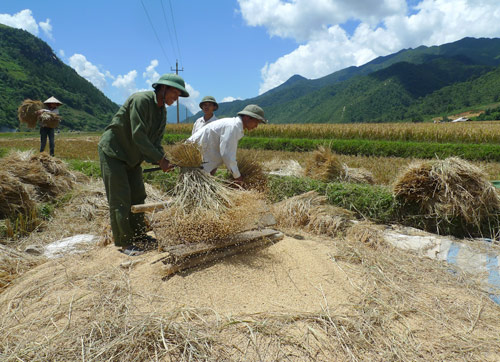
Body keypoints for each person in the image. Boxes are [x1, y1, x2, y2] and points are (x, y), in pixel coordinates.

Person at [98, 73, 189, 256]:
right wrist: (160, 160)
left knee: (138, 195)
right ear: (163, 88)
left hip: (133, 157)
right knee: (120, 197)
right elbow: (138, 135)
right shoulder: (141, 100)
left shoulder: (162, 112)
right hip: (114, 153)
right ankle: (125, 242)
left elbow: (155, 142)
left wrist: (165, 159)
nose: (176, 98)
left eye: (179, 95)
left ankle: (139, 235)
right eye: (174, 93)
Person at [187, 104, 267, 184]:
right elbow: (227, 155)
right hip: (192, 156)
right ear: (247, 117)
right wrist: (238, 177)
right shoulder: (232, 127)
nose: (256, 126)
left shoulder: (234, 126)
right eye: (256, 122)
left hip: (200, 160)